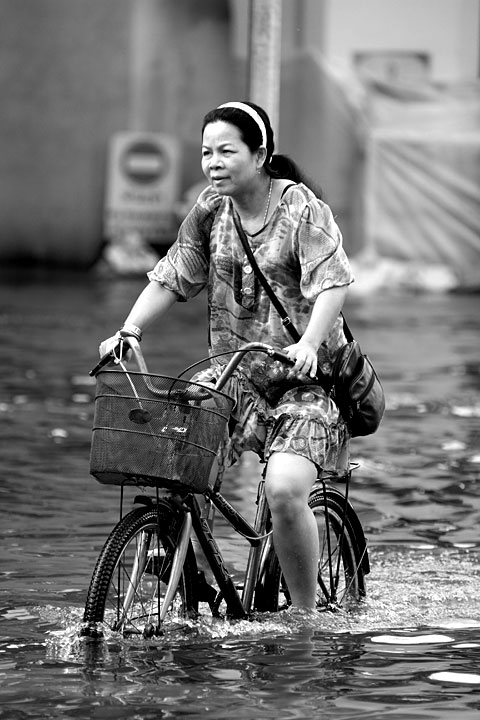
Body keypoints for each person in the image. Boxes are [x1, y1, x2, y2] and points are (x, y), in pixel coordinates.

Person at [98, 100, 354, 610]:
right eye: (205, 152)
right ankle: (191, 576)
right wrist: (129, 329)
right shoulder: (211, 211)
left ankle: (303, 619)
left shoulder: (302, 209)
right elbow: (173, 274)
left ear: (259, 155)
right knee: (171, 458)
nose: (212, 162)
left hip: (306, 382)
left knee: (283, 491)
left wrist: (308, 342)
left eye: (225, 151)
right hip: (234, 376)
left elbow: (334, 282)